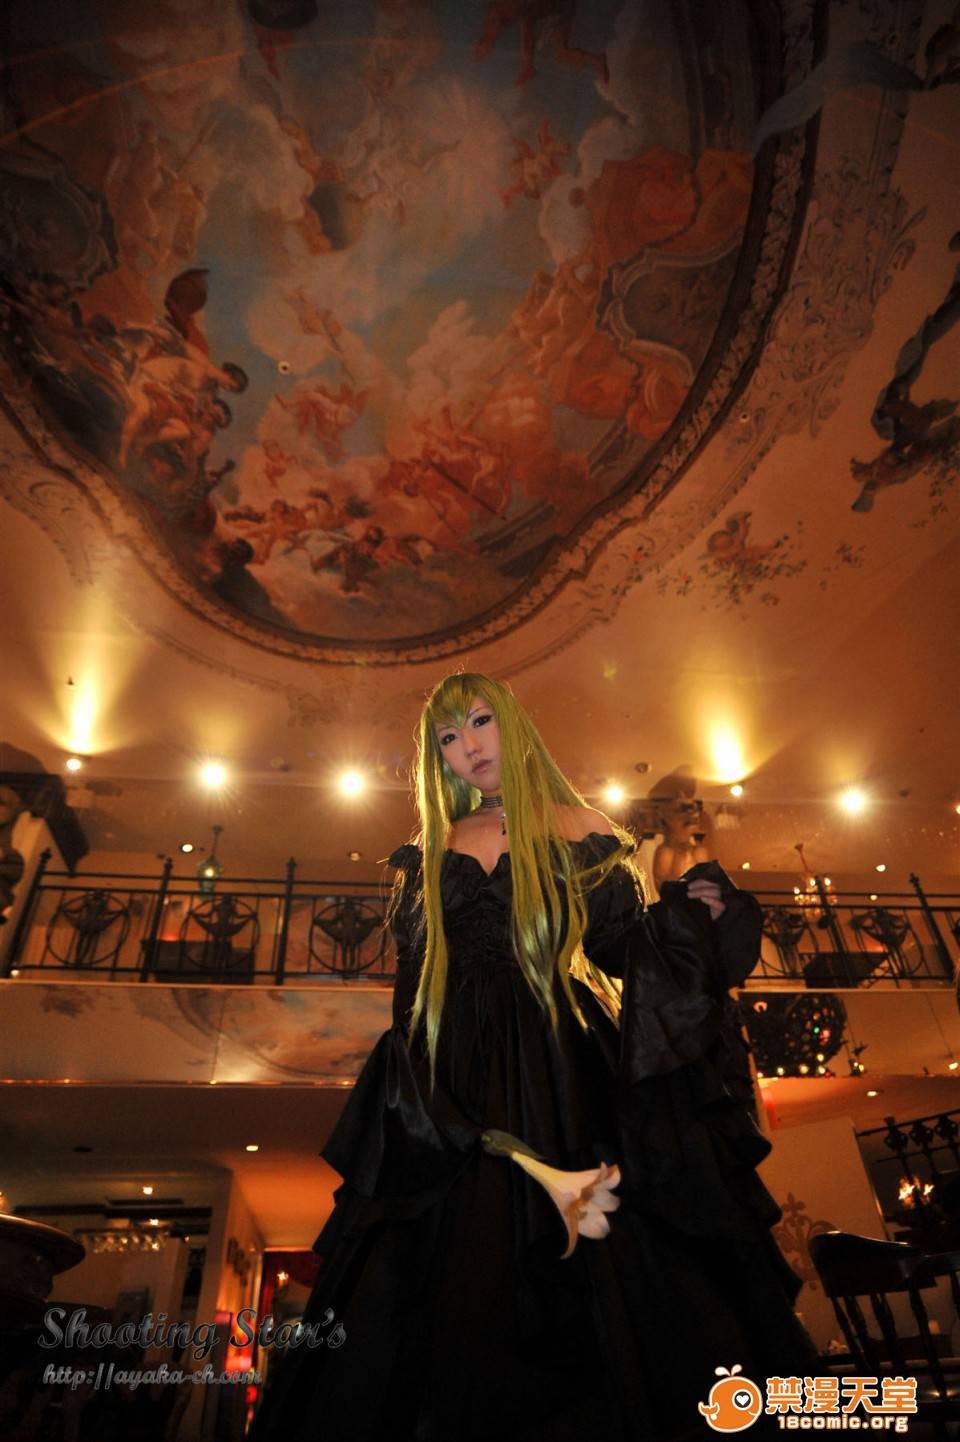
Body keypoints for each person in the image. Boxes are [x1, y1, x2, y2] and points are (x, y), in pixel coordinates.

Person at [248, 672, 818, 1442]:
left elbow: (622, 951)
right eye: (449, 737)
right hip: (451, 1070)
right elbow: (413, 982)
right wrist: (413, 1090)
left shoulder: (580, 826)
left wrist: (690, 922)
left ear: (512, 726)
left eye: (480, 722)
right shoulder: (431, 846)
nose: (468, 746)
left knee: (604, 1275)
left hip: (561, 1062)